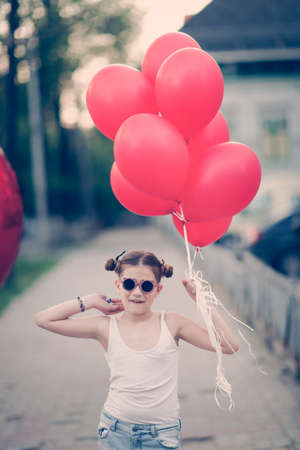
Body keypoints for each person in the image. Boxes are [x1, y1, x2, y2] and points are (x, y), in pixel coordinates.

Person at [34, 250, 239, 449]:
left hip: (161, 435)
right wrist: (92, 301)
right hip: (115, 432)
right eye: (129, 284)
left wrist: (200, 300)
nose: (137, 292)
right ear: (118, 285)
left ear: (158, 290)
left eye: (147, 286)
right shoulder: (105, 326)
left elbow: (229, 346)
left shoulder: (172, 323)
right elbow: (43, 319)